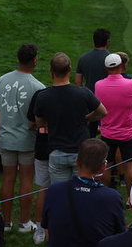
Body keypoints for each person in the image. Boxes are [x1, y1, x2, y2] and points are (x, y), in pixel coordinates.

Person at [0, 43, 45, 232]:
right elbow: (40, 119)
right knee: (27, 179)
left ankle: (6, 222)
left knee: (8, 178)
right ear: (34, 60)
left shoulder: (1, 80)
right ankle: (23, 222)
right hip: (27, 141)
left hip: (5, 138)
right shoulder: (38, 87)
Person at [30, 52, 106, 187]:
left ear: (51, 71)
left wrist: (53, 121)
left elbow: (39, 122)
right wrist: (86, 118)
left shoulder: (43, 96)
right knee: (81, 193)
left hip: (57, 152)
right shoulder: (83, 92)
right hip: (81, 152)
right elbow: (102, 112)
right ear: (70, 69)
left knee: (60, 194)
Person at [95, 53, 132, 186]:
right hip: (127, 133)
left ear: (106, 68)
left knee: (107, 165)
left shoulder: (98, 85)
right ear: (121, 66)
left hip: (107, 133)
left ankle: (105, 194)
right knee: (129, 166)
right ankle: (130, 199)